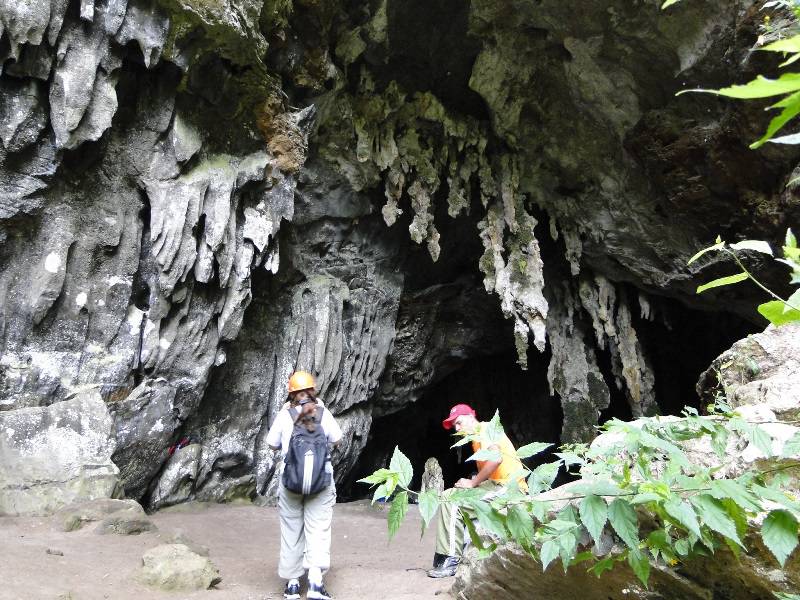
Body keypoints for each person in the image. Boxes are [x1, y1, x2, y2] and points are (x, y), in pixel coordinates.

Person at [427, 403, 528, 578]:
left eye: (459, 422)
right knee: (448, 496)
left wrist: (473, 483)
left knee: (453, 502)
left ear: (470, 416)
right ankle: (443, 554)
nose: (457, 428)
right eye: (454, 426)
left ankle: (450, 560)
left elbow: (496, 459)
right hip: (496, 485)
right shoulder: (475, 440)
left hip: (510, 487)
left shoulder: (486, 428)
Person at [266, 371, 343, 600]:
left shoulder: (285, 415)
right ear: (313, 390)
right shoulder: (322, 412)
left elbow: (271, 444)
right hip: (320, 481)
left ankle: (292, 586)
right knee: (318, 528)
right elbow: (337, 439)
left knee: (291, 529)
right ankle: (315, 583)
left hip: (290, 483)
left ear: (291, 393)